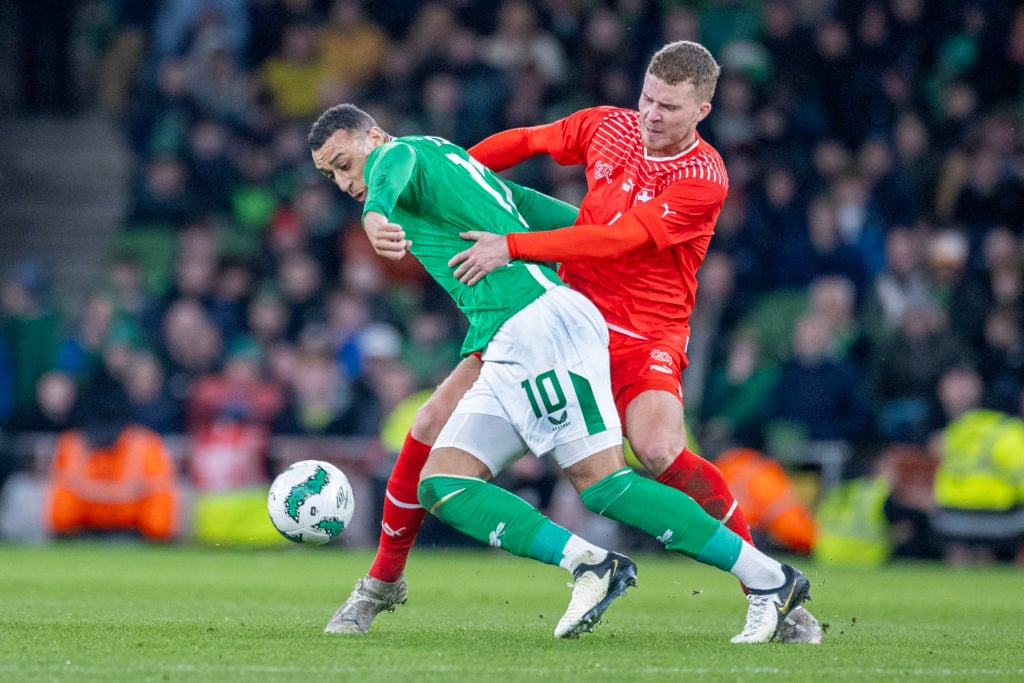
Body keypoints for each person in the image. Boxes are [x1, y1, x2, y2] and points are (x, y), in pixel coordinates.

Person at [351, 41, 822, 642]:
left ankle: (766, 585)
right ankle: (381, 581)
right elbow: (523, 142)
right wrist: (455, 178)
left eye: (669, 108)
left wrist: (512, 245)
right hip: (559, 313)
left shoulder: (704, 179)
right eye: (647, 98)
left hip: (644, 329)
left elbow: (616, 241)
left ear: (702, 109)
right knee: (431, 423)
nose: (651, 114)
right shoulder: (609, 126)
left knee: (654, 452)